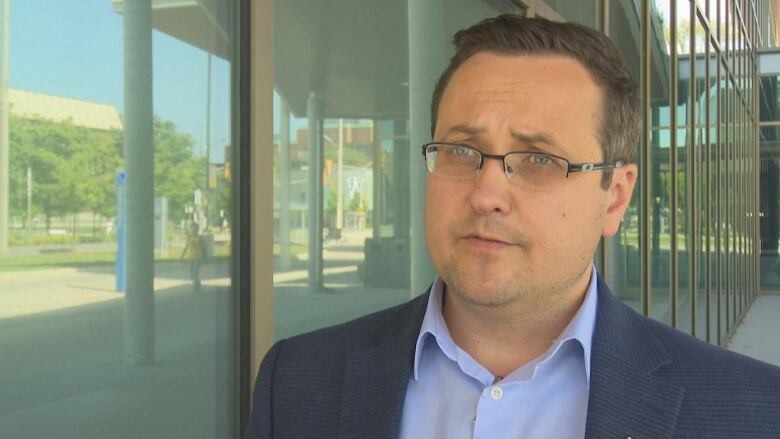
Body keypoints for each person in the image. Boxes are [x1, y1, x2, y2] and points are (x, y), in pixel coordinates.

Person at [247, 15, 780, 438]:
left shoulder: (749, 411)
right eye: (461, 150)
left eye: (539, 160)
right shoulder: (297, 382)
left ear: (614, 198)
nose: (485, 194)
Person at [181, 223, 205, 292]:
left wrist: (204, 258)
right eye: (192, 228)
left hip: (198, 257)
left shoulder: (200, 238)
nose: (193, 230)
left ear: (197, 229)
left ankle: (195, 287)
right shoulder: (189, 237)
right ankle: (197, 282)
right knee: (191, 272)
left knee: (195, 272)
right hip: (191, 257)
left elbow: (203, 248)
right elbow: (186, 247)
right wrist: (182, 255)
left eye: (195, 228)